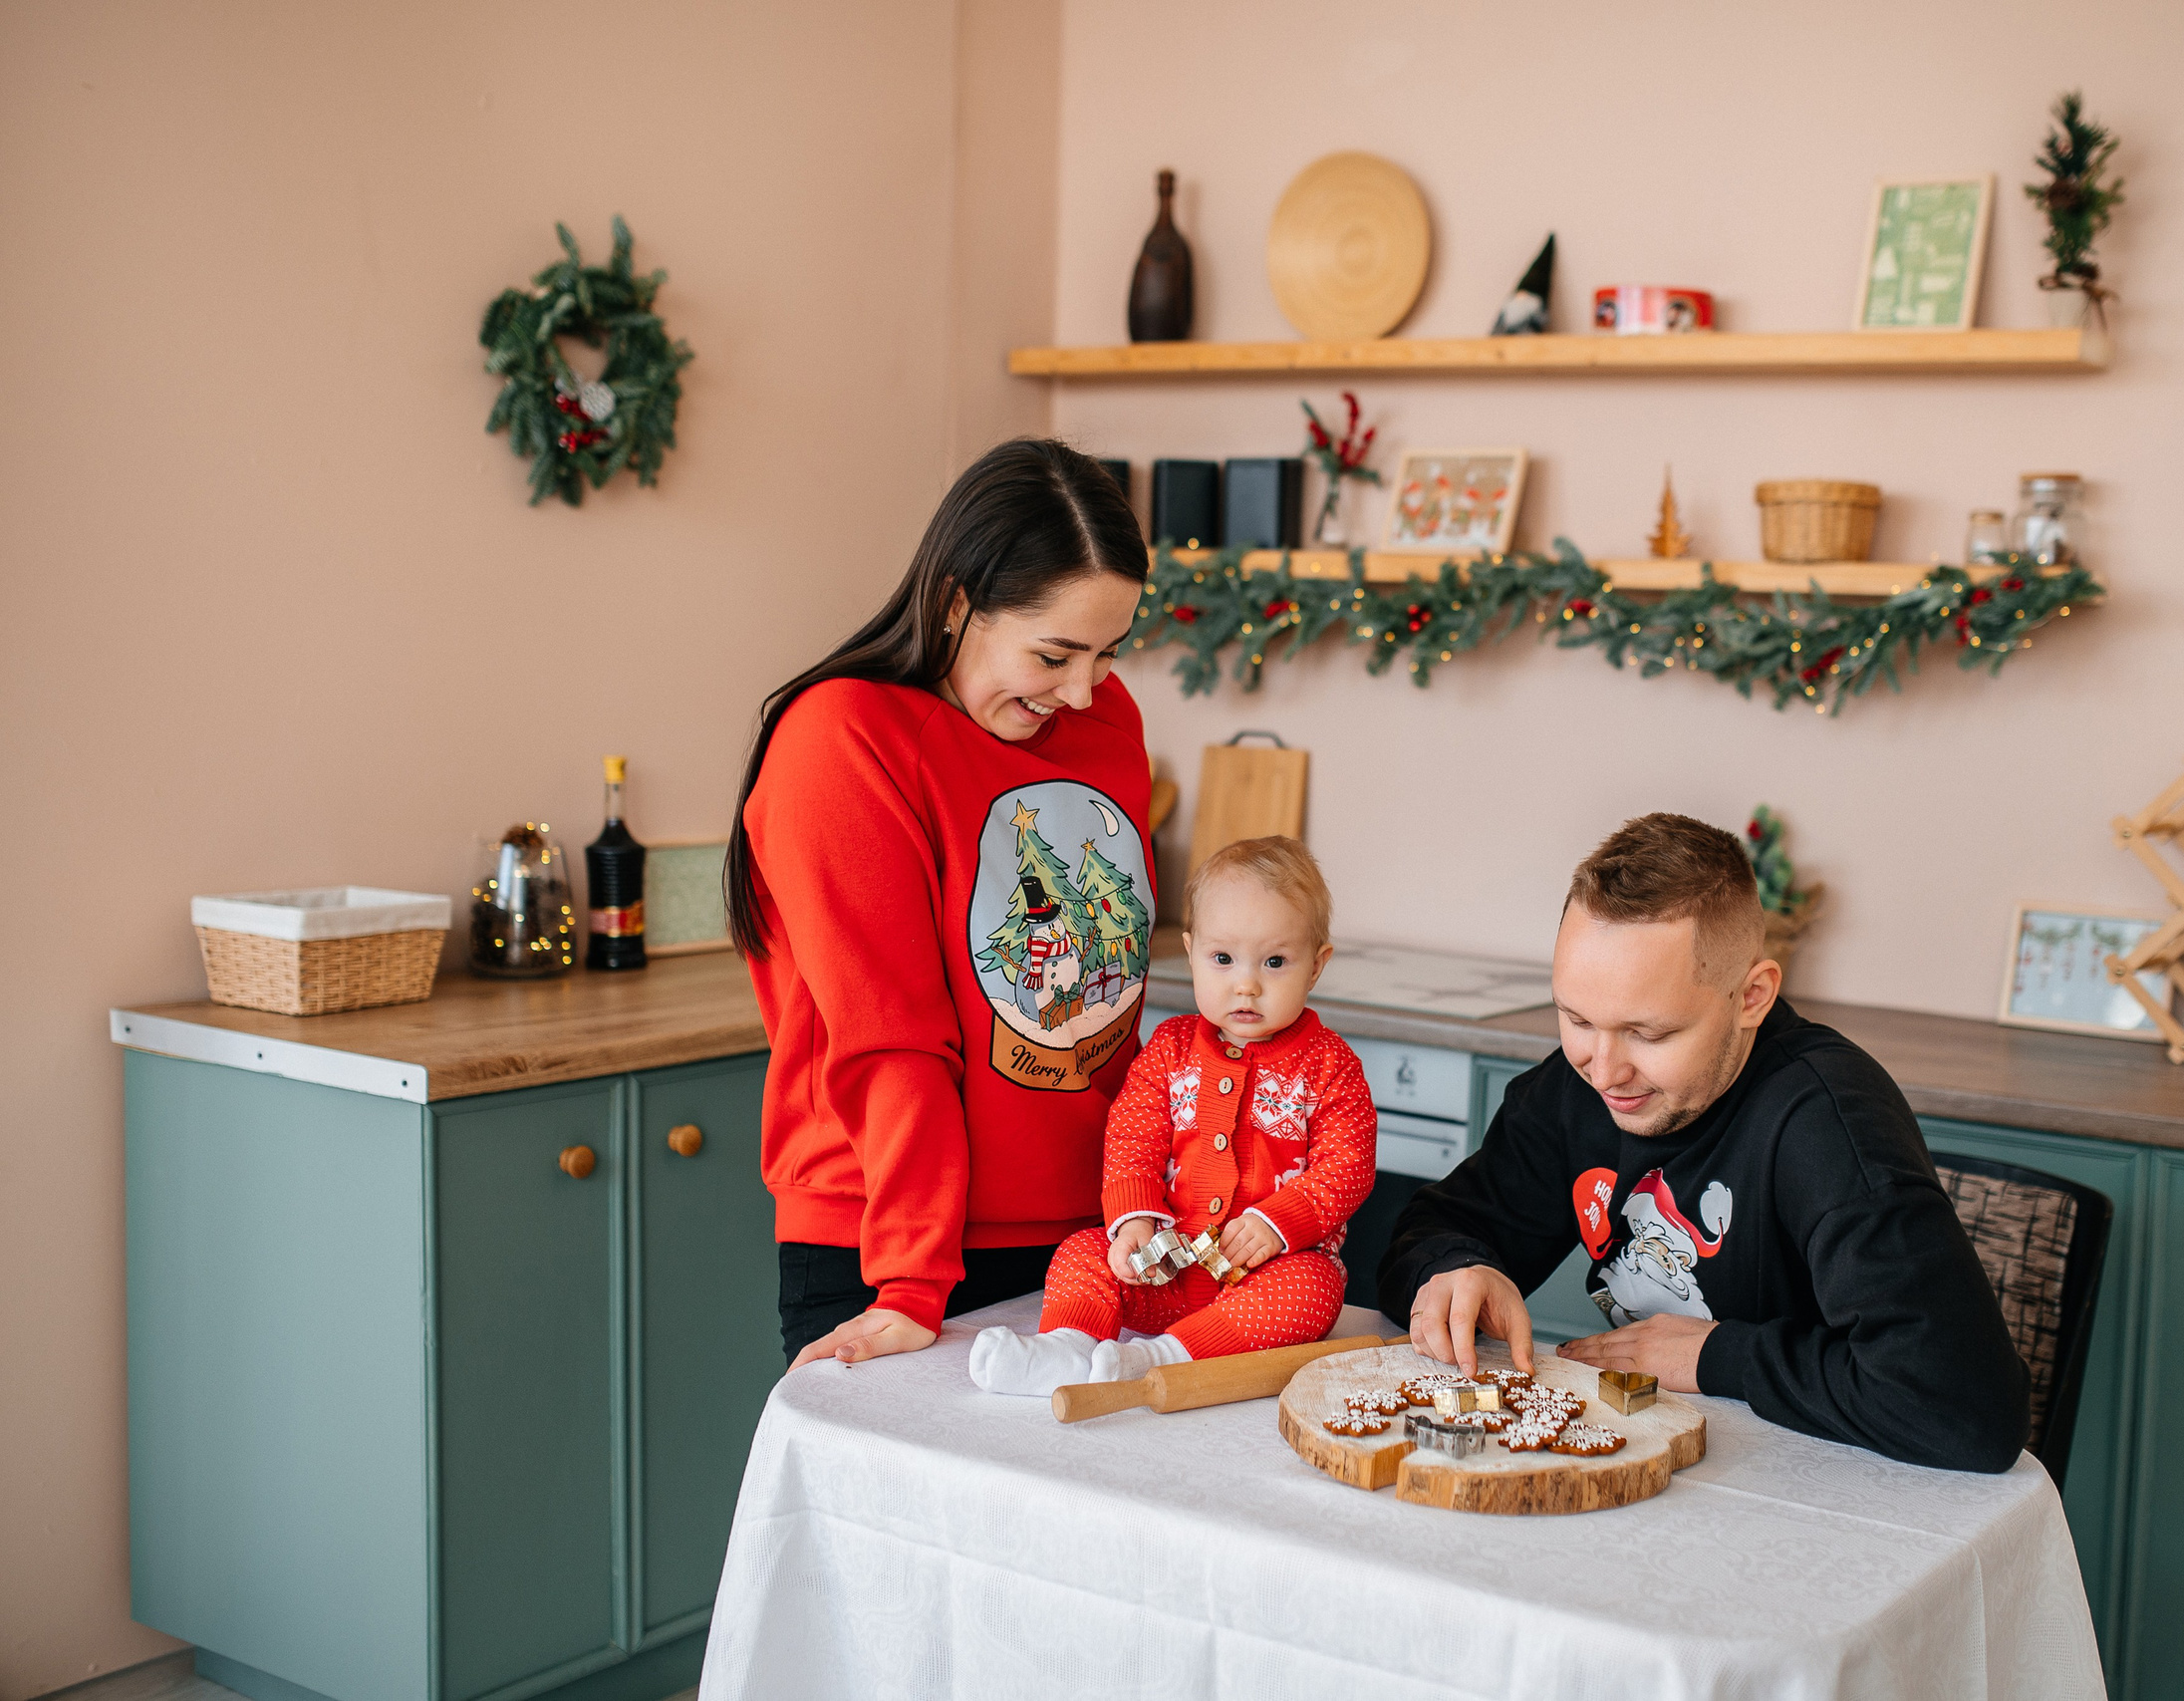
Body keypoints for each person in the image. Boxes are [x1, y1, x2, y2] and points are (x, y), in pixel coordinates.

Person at [1378, 813, 2031, 1472]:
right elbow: (1432, 1228)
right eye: (1576, 1018)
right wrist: (1456, 1270)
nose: (1603, 1070)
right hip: (1670, 1463)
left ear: (1752, 996)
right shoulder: (1575, 1088)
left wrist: (1714, 1354)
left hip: (1838, 1491)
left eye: (1650, 1034)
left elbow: (1965, 1410)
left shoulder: (1828, 1124)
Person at [727, 438, 1158, 1370]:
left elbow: (1106, 1006)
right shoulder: (843, 741)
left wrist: (1137, 1198)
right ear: (959, 601)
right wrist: (914, 1282)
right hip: (896, 1254)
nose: (1084, 689)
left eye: (1109, 652)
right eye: (1054, 653)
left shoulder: (1102, 720)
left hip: (1094, 1240)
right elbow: (894, 1038)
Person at [970, 836, 1377, 1395]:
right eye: (1222, 958)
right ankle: (1067, 1347)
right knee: (1083, 1250)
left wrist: (1280, 1223)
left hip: (1262, 1279)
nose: (1246, 984)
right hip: (1165, 1270)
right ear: (1190, 953)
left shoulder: (1331, 1066)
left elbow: (1347, 1167)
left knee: (1316, 1287)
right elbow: (1131, 1138)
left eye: (1275, 962)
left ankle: (1168, 1358)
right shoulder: (1168, 1049)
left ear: (1316, 965)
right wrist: (1135, 1219)